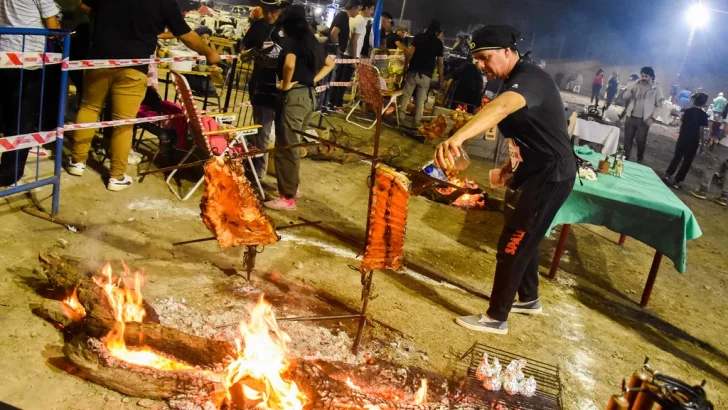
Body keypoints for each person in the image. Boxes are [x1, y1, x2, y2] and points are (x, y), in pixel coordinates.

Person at [434, 25, 576, 335]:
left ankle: (497, 317)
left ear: (507, 52)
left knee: (513, 242)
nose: (482, 67)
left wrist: (457, 138)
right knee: (527, 233)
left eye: (486, 58)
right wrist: (508, 169)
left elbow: (501, 109)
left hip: (551, 175)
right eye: (478, 61)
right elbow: (524, 136)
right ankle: (529, 298)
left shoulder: (530, 80)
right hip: (533, 170)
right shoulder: (510, 80)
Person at [68, 0, 220, 191]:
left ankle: (77, 162)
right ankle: (116, 176)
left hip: (99, 60)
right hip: (133, 67)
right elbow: (185, 33)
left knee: (89, 107)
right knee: (123, 122)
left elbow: (84, 6)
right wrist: (209, 52)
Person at [264, 5, 335, 211]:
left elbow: (289, 65)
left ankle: (287, 198)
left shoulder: (291, 43)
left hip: (294, 98)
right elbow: (330, 63)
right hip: (309, 97)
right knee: (294, 145)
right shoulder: (313, 42)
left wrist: (285, 84)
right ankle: (292, 188)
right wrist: (312, 80)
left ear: (288, 26)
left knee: (285, 146)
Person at [0, 0, 60, 187]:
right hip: (28, 58)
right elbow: (52, 25)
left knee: (7, 113)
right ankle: (9, 174)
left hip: (4, 53)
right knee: (22, 118)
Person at [240, 0, 289, 182]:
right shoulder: (257, 27)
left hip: (284, 87)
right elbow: (242, 54)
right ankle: (258, 175)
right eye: (266, 10)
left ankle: (285, 179)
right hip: (261, 85)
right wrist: (254, 52)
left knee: (285, 133)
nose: (269, 15)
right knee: (262, 131)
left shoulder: (288, 27)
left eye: (273, 11)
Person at [398, 19, 444, 127]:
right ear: (438, 31)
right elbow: (440, 63)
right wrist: (441, 78)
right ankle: (416, 122)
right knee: (420, 100)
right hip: (426, 75)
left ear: (427, 28)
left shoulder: (419, 37)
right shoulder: (438, 43)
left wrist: (405, 67)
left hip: (413, 71)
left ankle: (400, 119)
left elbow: (410, 53)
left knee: (406, 96)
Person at [664, 93, 709, 189]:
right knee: (687, 162)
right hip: (693, 140)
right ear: (704, 103)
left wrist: (681, 133)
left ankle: (668, 174)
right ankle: (677, 181)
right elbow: (702, 130)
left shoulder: (688, 111)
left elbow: (682, 123)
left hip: (683, 137)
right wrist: (702, 144)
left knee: (677, 157)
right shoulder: (704, 115)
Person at [621, 67, 665, 163]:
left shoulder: (656, 88)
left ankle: (640, 158)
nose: (644, 78)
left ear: (652, 77)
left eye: (646, 76)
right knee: (628, 139)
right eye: (642, 76)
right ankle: (625, 158)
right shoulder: (636, 84)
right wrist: (632, 90)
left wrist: (652, 118)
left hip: (644, 120)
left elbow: (660, 106)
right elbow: (624, 97)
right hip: (631, 116)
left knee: (640, 140)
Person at [327, 0, 361, 110]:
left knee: (334, 78)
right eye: (358, 10)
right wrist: (337, 47)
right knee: (331, 78)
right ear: (353, 8)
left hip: (336, 52)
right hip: (334, 53)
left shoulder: (344, 17)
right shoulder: (342, 17)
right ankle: (326, 104)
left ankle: (328, 104)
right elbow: (333, 33)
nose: (358, 13)